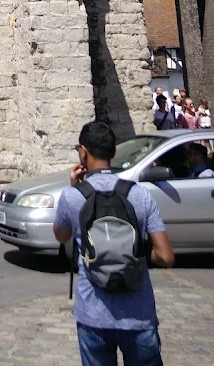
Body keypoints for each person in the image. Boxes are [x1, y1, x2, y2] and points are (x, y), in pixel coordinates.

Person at [53, 121, 174, 366]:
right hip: (138, 312)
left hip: (93, 313)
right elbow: (166, 257)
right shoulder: (139, 194)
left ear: (83, 152)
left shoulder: (72, 196)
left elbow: (61, 236)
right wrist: (137, 252)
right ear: (113, 152)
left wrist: (74, 188)